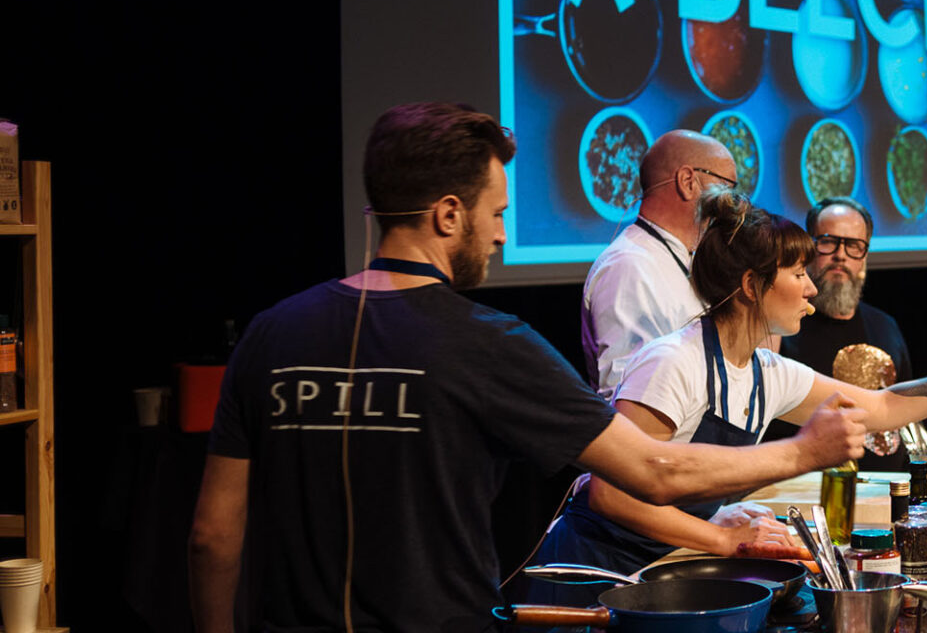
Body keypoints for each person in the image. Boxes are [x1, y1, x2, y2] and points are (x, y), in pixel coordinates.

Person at [188, 103, 866, 633]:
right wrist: (804, 450)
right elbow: (652, 470)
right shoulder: (490, 343)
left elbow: (213, 537)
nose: (503, 235)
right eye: (497, 213)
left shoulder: (270, 335)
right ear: (448, 213)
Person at [534, 187, 927, 575]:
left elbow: (884, 408)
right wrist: (724, 537)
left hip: (664, 563)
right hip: (594, 571)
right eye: (796, 272)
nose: (810, 286)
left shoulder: (768, 372)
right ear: (751, 286)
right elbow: (611, 495)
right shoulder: (674, 362)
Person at [581, 129, 740, 399]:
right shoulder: (629, 267)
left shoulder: (680, 256)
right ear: (688, 182)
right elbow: (629, 400)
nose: (734, 201)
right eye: (727, 185)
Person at [775, 197, 913, 471]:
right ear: (809, 248)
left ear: (865, 256)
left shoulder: (886, 326)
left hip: (886, 497)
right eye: (828, 241)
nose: (841, 255)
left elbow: (904, 413)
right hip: (804, 494)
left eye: (854, 246)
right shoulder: (783, 328)